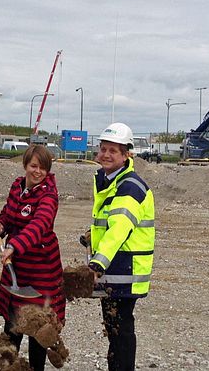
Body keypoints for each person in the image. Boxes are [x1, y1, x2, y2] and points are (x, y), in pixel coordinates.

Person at [88, 122, 156, 371]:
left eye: (113, 151)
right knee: (114, 328)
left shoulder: (129, 186)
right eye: (103, 149)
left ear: (126, 154)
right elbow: (109, 223)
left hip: (125, 270)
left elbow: (119, 228)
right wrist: (91, 237)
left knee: (121, 329)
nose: (106, 154)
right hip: (115, 268)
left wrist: (97, 262)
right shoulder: (109, 180)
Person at [0, 144, 64, 371]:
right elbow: (9, 212)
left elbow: (39, 225)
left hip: (42, 269)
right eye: (34, 166)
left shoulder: (49, 195)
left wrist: (13, 245)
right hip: (17, 268)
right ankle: (7, 365)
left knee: (37, 327)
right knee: (12, 324)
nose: (38, 171)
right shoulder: (17, 186)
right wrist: (1, 225)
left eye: (43, 168)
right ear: (25, 165)